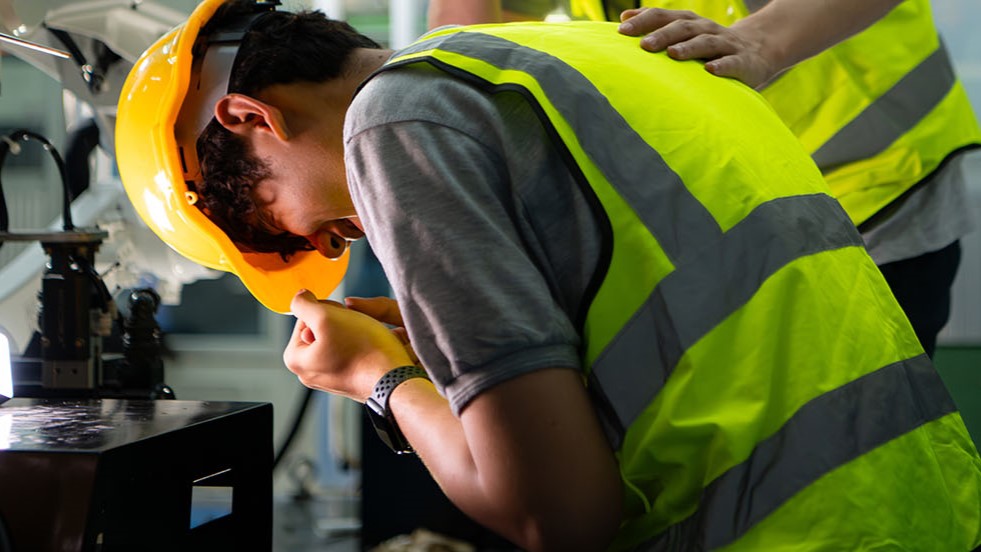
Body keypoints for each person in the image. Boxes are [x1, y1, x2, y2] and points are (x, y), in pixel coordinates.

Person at [114, 0, 981, 550]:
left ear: (249, 116)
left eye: (291, 228)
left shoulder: (390, 125)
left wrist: (379, 377)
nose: (344, 240)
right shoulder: (590, 53)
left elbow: (554, 517)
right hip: (923, 509)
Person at [430, 0, 981, 359]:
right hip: (720, 209)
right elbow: (464, 34)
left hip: (876, 184)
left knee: (867, 446)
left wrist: (763, 42)